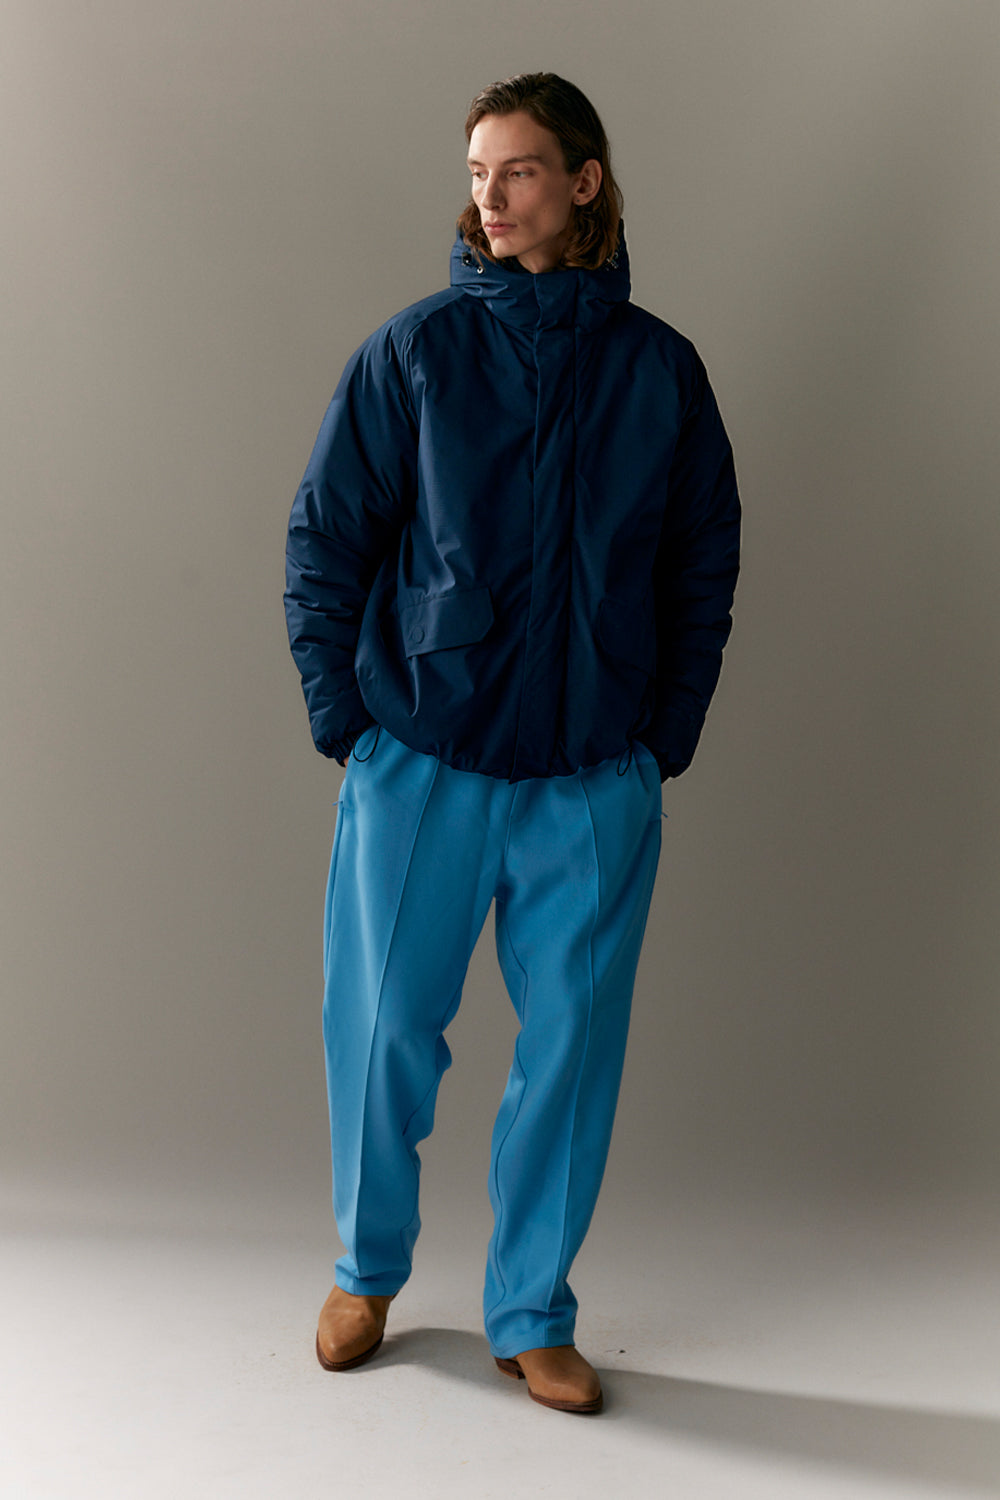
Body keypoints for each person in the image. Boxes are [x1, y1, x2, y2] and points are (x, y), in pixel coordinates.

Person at [284, 71, 740, 1415]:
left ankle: (533, 1309)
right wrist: (348, 722)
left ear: (584, 181)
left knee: (572, 1055)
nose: (491, 195)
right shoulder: (417, 353)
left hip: (593, 775)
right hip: (425, 762)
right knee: (380, 1029)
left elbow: (701, 563)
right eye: (479, 172)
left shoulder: (660, 372)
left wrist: (662, 736)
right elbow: (327, 537)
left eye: (521, 170)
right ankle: (366, 1269)